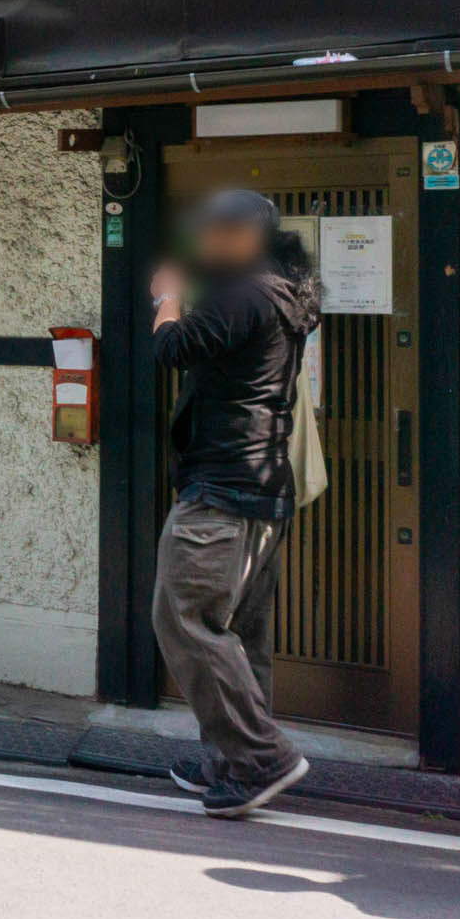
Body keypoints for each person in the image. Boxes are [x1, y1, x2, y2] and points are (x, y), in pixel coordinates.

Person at [148, 189, 322, 817]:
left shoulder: (243, 293)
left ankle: (261, 757)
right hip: (260, 490)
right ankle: (231, 766)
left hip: (221, 491)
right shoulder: (279, 291)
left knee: (184, 619)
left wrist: (167, 296)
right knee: (241, 638)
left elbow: (171, 348)